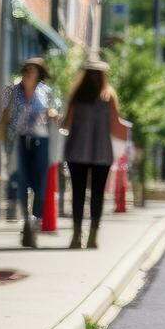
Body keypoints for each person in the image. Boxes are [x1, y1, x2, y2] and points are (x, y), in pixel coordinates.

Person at [61, 56, 124, 249]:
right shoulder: (109, 96)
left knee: (78, 193)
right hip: (101, 151)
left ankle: (76, 235)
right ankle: (93, 236)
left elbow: (67, 123)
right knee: (97, 194)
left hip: (77, 149)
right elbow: (115, 126)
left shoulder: (77, 94)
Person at [0, 56, 58, 247]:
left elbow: (54, 111)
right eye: (28, 70)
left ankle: (35, 219)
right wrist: (4, 144)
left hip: (40, 140)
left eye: (34, 70)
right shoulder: (12, 90)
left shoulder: (46, 91)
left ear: (39, 74)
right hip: (20, 140)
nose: (30, 73)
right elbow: (5, 116)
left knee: (40, 183)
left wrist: (53, 114)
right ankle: (26, 220)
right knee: (22, 180)